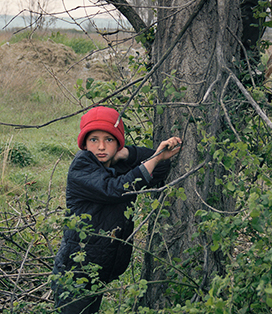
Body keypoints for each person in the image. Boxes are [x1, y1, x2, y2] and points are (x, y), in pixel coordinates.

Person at [51, 106, 182, 314]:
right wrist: (155, 158)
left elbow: (161, 169)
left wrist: (127, 153)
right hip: (75, 270)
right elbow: (115, 190)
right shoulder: (82, 166)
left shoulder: (119, 166)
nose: (101, 146)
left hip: (99, 270)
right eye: (94, 140)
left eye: (109, 139)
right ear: (84, 143)